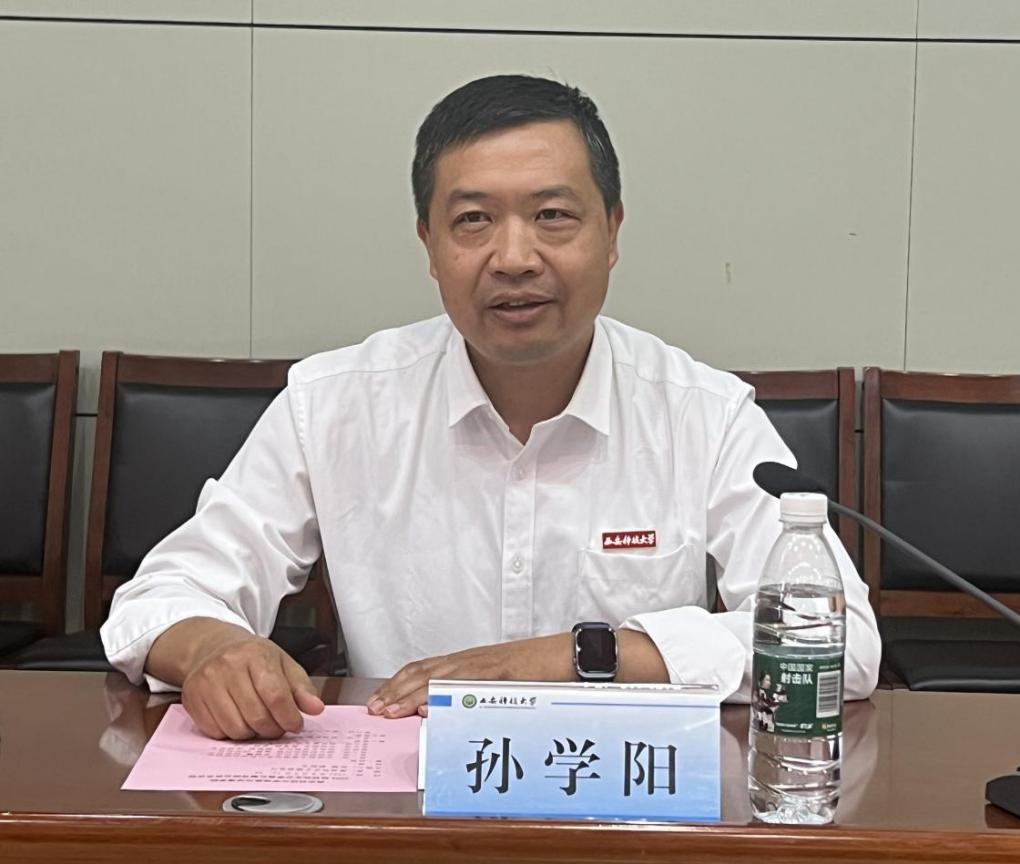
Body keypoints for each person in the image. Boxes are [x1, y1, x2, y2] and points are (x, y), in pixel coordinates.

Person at [101, 74, 881, 741]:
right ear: (429, 243)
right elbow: (160, 597)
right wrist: (210, 650)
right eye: (473, 220)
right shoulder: (335, 404)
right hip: (406, 806)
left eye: (552, 216)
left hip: (620, 804)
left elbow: (838, 643)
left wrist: (573, 658)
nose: (513, 258)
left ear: (611, 231)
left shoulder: (703, 414)